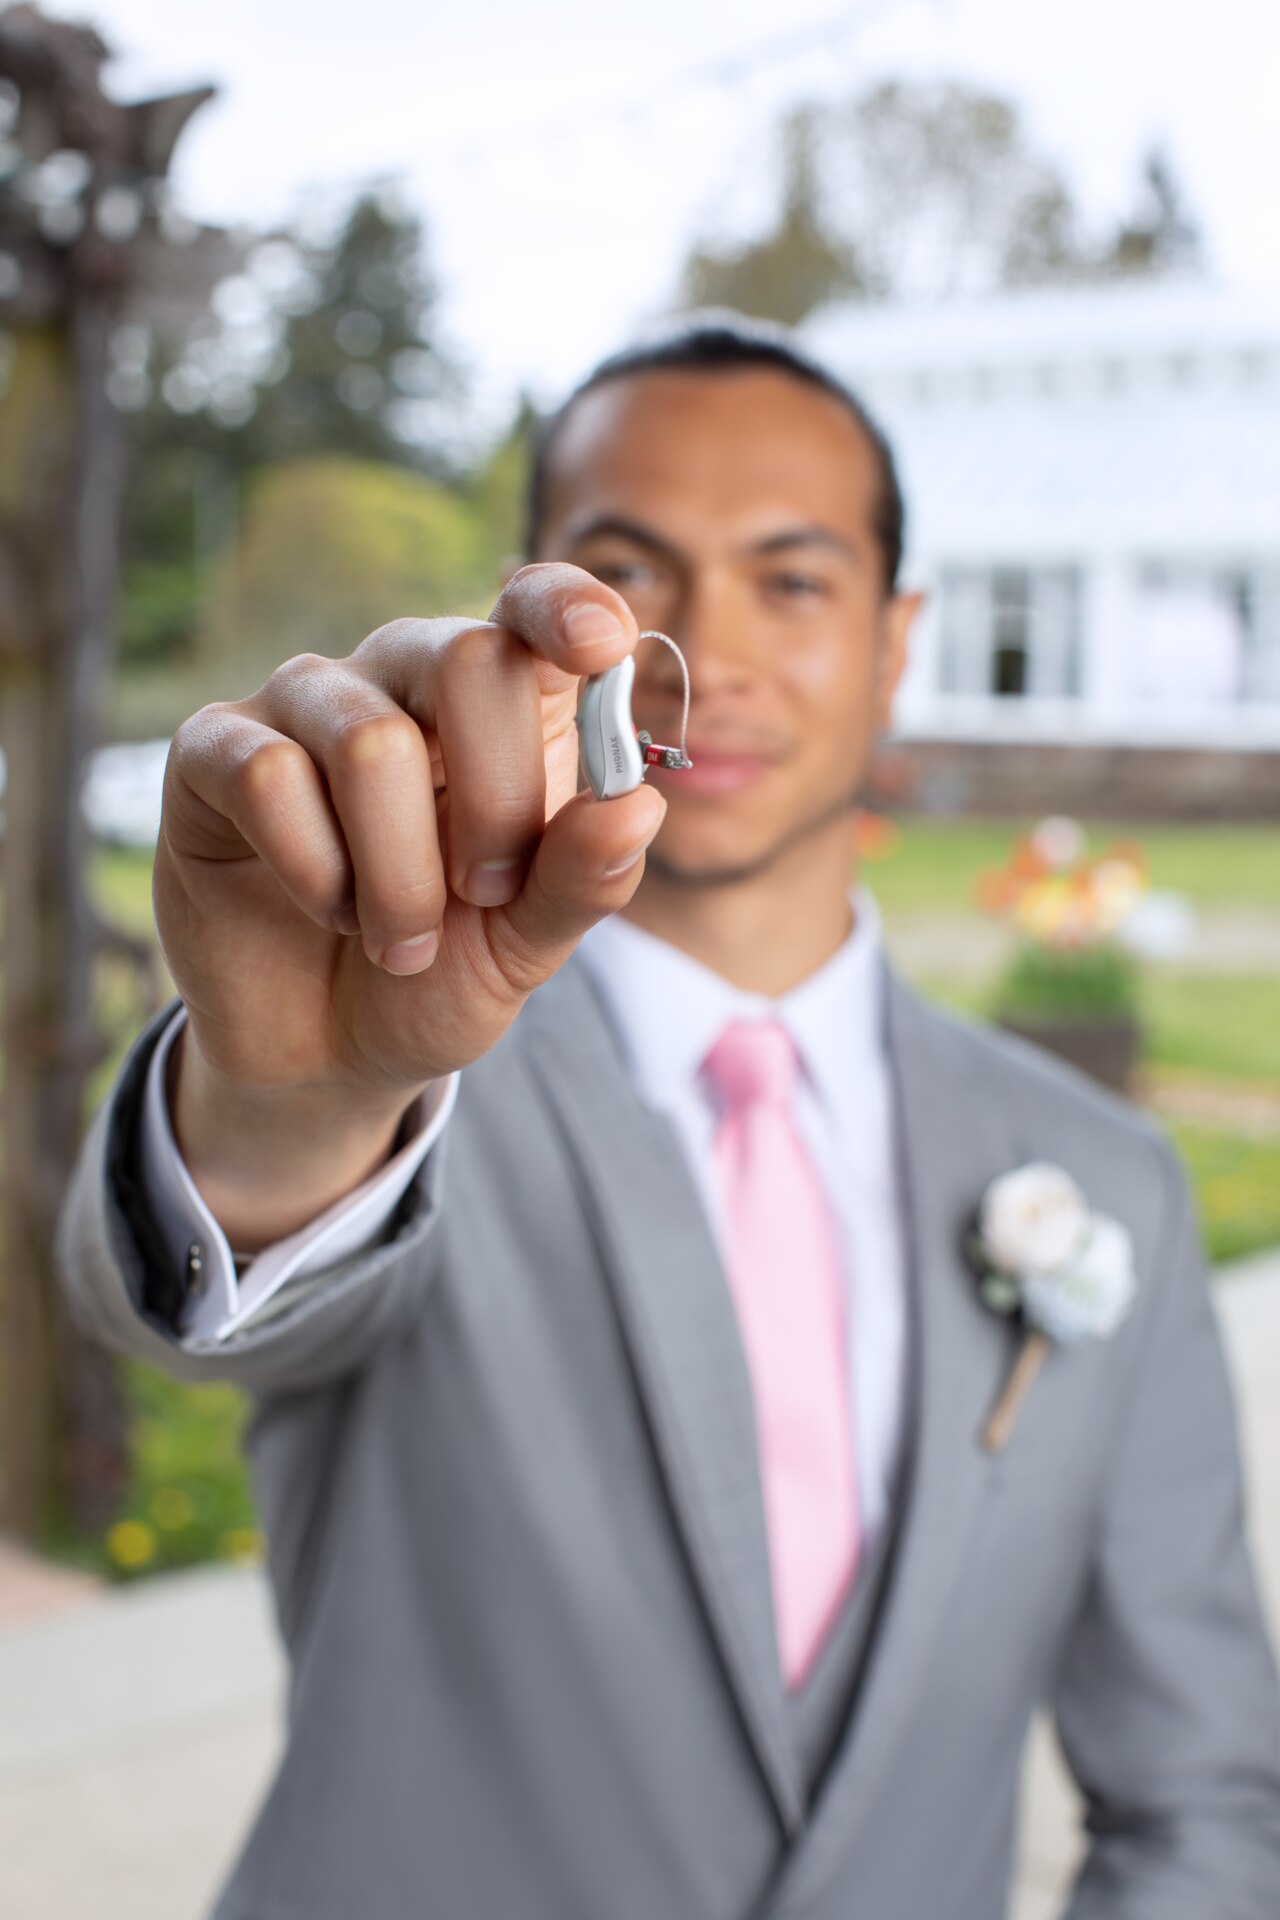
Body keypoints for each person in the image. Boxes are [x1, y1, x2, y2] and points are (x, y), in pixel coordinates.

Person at [60, 317, 1280, 1920]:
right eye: (630, 573)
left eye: (791, 578)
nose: (711, 642)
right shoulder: (411, 1094)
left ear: (898, 637)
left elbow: (1203, 1801)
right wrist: (304, 1097)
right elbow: (217, 1281)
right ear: (533, 612)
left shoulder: (1105, 1180)